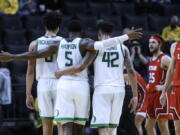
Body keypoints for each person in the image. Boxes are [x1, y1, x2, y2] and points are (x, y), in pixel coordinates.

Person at [0, 22, 142, 135]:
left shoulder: (59, 43)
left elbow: (36, 54)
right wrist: (126, 37)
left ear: (67, 32)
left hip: (65, 85)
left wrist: (13, 56)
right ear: (81, 33)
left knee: (65, 124)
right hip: (84, 86)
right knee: (82, 126)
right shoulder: (86, 43)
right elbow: (89, 59)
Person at [24, 11, 63, 135]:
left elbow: (30, 71)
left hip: (43, 84)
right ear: (58, 27)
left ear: (44, 26)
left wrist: (28, 93)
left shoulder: (34, 44)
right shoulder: (64, 42)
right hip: (60, 82)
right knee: (62, 121)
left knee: (46, 122)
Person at [145, 35, 171, 135]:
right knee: (148, 126)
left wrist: (164, 87)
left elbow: (176, 75)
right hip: (151, 95)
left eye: (153, 43)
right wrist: (149, 84)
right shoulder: (152, 59)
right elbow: (155, 76)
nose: (150, 45)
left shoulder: (164, 58)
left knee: (162, 125)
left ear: (159, 44)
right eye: (149, 42)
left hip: (161, 95)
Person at [160, 41, 180, 135]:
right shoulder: (175, 46)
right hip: (177, 89)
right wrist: (164, 91)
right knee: (177, 126)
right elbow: (171, 70)